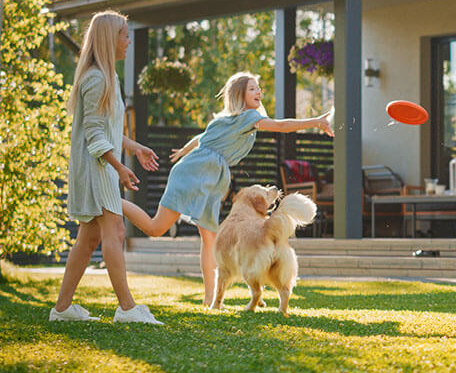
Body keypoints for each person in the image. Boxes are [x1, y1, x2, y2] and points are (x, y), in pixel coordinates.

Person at [122, 72, 333, 306]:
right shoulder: (247, 117)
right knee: (156, 228)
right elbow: (281, 126)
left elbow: (202, 137)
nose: (259, 92)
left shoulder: (229, 120)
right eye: (252, 88)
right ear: (239, 94)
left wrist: (184, 150)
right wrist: (315, 121)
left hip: (208, 177)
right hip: (195, 174)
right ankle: (115, 202)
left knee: (209, 238)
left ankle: (210, 299)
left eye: (258, 88)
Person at [52, 10, 164, 325]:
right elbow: (95, 134)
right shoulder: (96, 78)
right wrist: (119, 167)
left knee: (89, 238)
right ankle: (127, 308)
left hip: (101, 166)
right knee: (113, 231)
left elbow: (109, 129)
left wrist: (135, 147)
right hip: (96, 169)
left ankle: (62, 309)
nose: (128, 41)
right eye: (125, 34)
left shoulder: (108, 76)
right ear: (108, 38)